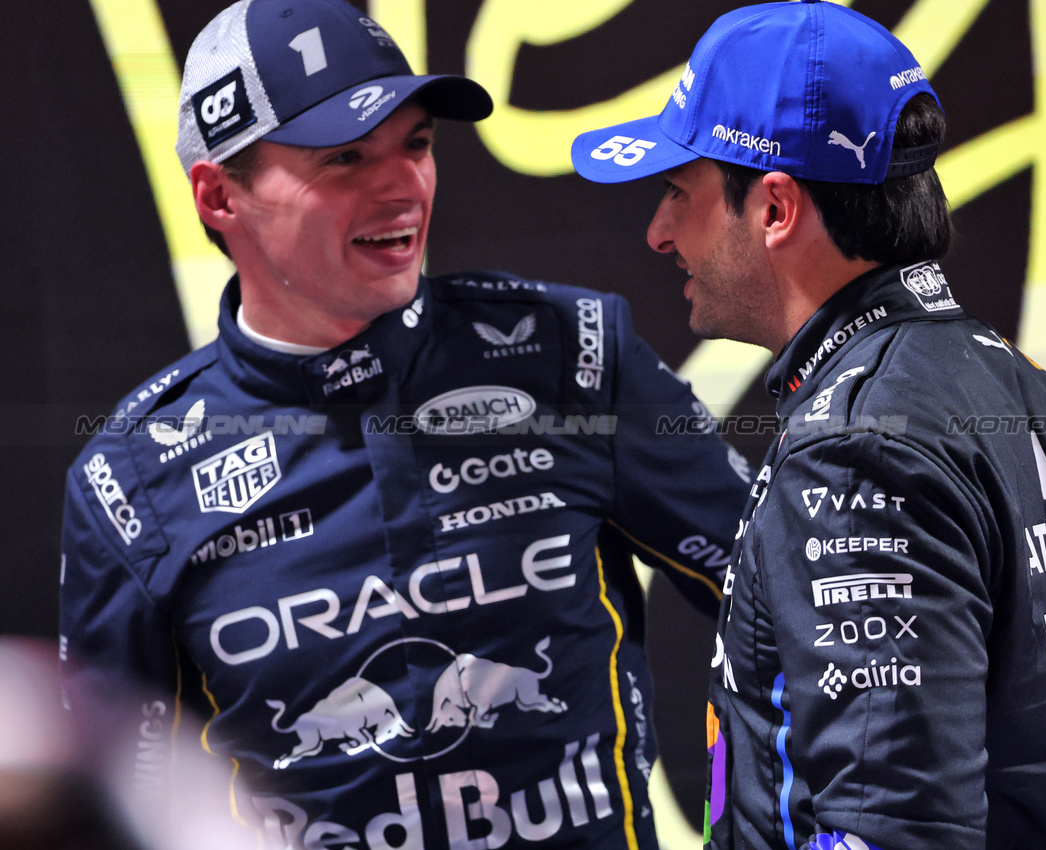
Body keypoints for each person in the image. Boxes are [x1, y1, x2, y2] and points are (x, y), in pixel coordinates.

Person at [59, 1, 750, 848]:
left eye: (416, 145)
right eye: (344, 157)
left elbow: (789, 613)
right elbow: (115, 803)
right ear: (218, 195)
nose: (401, 186)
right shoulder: (131, 477)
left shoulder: (571, 354)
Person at [571, 2, 1046, 848]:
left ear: (775, 208)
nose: (657, 232)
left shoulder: (857, 453)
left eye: (678, 193)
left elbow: (893, 830)